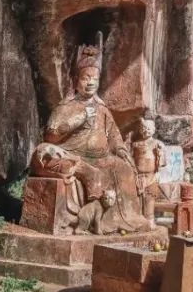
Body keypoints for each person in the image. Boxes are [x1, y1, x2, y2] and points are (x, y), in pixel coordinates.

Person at [31, 37, 150, 234]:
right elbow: (51, 136)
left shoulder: (102, 109)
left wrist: (121, 151)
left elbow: (114, 136)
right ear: (76, 81)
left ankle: (128, 219)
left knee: (124, 169)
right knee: (47, 154)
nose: (90, 83)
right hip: (74, 154)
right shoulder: (66, 107)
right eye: (86, 78)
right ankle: (96, 223)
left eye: (95, 79)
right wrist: (78, 119)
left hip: (102, 158)